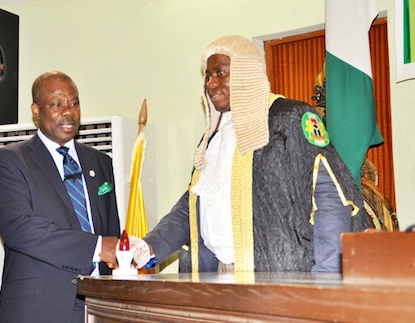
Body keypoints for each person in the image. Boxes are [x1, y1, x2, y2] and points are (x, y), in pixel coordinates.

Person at [132, 35, 370, 274]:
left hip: (280, 278)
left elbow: (329, 200)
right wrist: (150, 246)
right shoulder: (212, 141)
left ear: (245, 72)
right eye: (207, 76)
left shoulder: (288, 119)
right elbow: (193, 206)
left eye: (220, 73)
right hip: (215, 275)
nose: (210, 84)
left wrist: (327, 278)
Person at [0, 71, 120, 323]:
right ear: (36, 111)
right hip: (39, 307)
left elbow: (109, 231)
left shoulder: (101, 163)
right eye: (57, 104)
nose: (68, 111)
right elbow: (20, 229)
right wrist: (96, 247)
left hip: (98, 307)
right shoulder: (9, 161)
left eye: (74, 103)